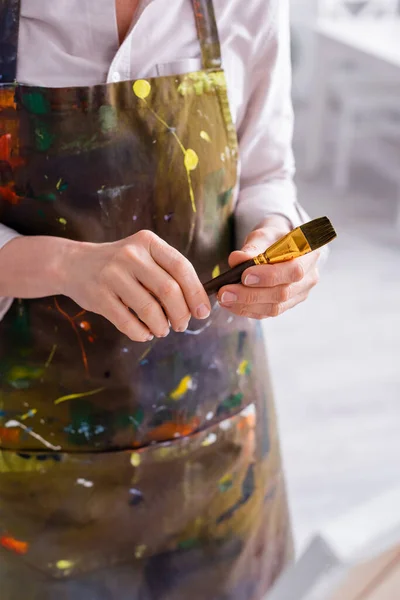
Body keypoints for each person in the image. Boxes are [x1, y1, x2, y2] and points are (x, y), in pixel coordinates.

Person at [0, 0, 320, 598]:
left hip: (221, 460)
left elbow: (266, 177)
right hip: (28, 481)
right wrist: (62, 264)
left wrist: (279, 237)